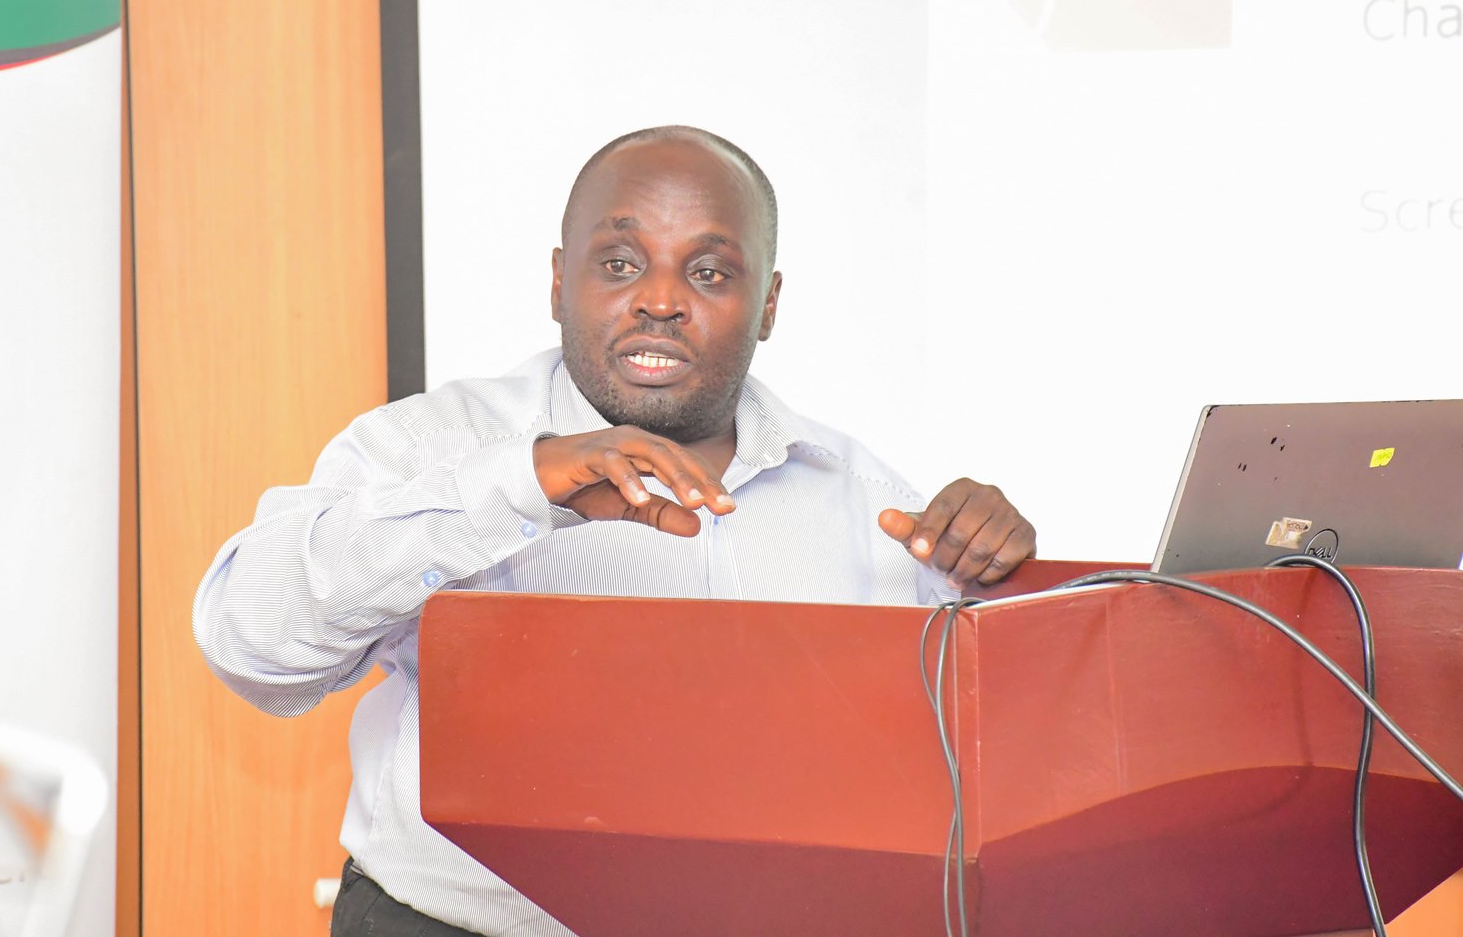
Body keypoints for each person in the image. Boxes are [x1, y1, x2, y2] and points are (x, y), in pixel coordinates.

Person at [193, 125, 1036, 937]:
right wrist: (518, 486)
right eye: (620, 263)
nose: (661, 300)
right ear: (560, 281)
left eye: (708, 271)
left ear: (769, 303)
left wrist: (997, 582)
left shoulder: (868, 504)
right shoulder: (435, 447)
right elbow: (250, 645)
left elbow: (974, 777)